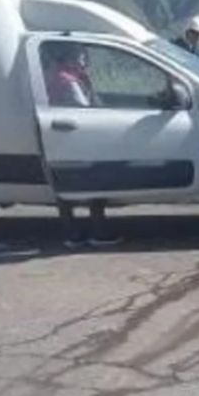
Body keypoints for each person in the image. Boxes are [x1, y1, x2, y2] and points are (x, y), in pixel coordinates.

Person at [41, 42, 121, 249]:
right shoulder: (69, 82)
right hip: (77, 139)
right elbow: (86, 110)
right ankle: (99, 232)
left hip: (58, 141)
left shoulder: (53, 76)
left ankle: (72, 233)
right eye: (80, 57)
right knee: (95, 185)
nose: (84, 61)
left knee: (64, 191)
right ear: (69, 59)